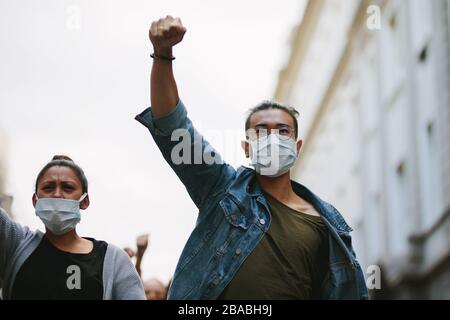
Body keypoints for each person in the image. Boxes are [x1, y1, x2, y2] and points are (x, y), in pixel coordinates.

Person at [135, 16, 368, 300]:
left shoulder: (329, 223)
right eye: (261, 131)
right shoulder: (223, 189)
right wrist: (163, 55)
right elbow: (173, 126)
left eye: (282, 131)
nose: (272, 138)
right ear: (247, 148)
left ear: (297, 145)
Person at [0, 155, 145, 300]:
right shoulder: (16, 244)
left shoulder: (113, 260)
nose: (57, 194)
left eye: (67, 187)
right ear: (35, 200)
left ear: (84, 201)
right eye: (48, 187)